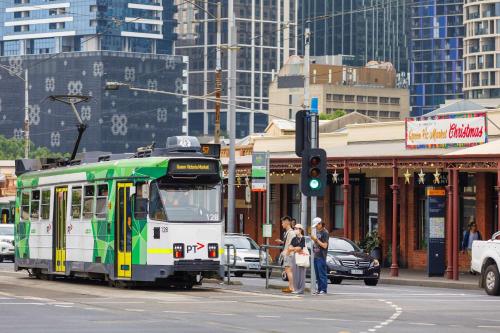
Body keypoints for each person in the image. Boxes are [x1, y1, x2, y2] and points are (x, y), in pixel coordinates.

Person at [311, 217, 329, 295]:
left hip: (321, 255)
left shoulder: (325, 232)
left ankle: (323, 289)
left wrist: (316, 240)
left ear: (320, 224)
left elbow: (325, 245)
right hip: (316, 255)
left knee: (322, 274)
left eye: (317, 225)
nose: (316, 227)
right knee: (317, 274)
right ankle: (319, 289)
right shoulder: (317, 231)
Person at [289, 223, 306, 295]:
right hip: (294, 257)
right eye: (294, 228)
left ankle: (301, 289)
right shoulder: (294, 238)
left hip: (301, 257)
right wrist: (295, 249)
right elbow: (290, 248)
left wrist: (294, 248)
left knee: (301, 273)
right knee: (295, 273)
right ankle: (296, 288)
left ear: (300, 230)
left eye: (296, 228)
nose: (295, 230)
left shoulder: (303, 238)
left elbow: (300, 248)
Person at [280, 216, 296, 293]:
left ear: (287, 222)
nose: (282, 224)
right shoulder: (288, 232)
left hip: (289, 254)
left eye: (283, 222)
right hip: (288, 253)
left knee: (288, 271)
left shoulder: (291, 232)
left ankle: (292, 287)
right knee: (288, 270)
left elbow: (292, 244)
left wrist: (287, 253)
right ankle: (290, 287)